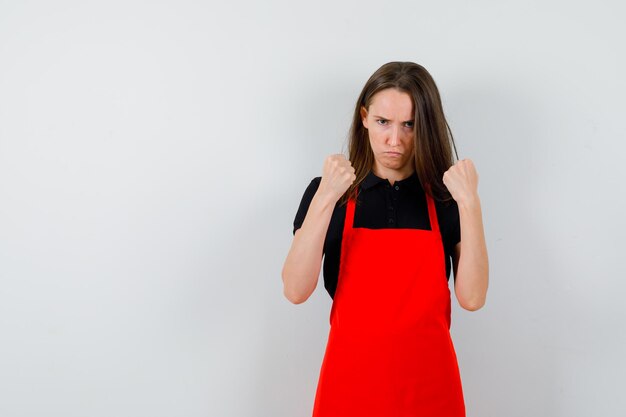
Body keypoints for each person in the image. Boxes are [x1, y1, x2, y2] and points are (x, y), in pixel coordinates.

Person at [281, 61, 489, 416]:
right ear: (364, 117)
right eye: (383, 122)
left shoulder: (446, 198)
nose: (395, 140)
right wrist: (326, 197)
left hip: (431, 390)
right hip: (349, 389)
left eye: (409, 125)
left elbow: (472, 297)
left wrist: (469, 202)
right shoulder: (328, 193)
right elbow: (295, 290)